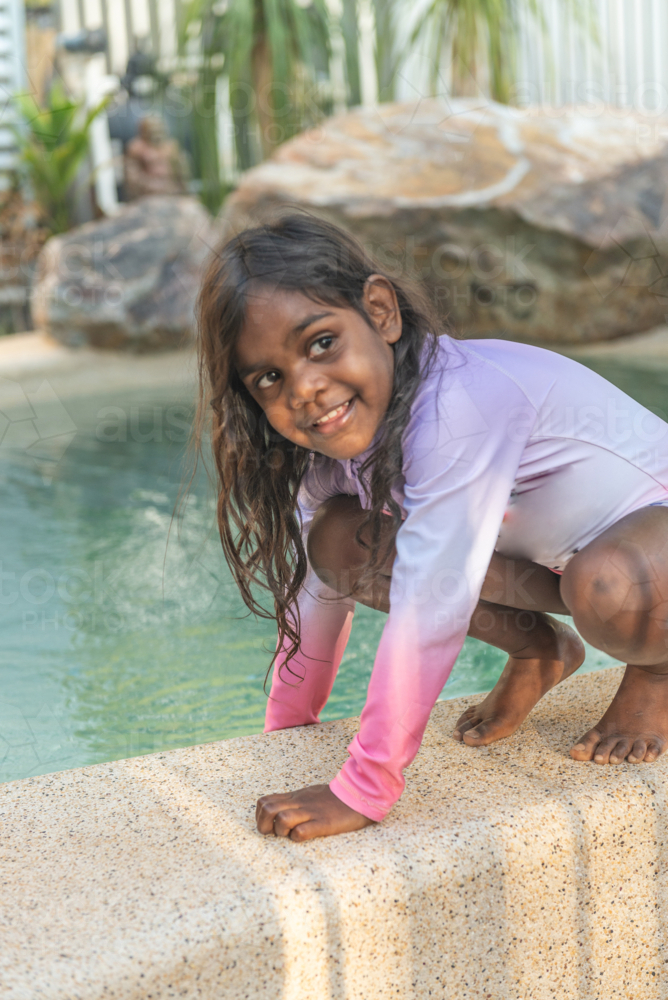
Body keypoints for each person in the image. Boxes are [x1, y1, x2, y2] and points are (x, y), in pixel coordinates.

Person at [195, 214, 668, 842]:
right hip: (558, 564)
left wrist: (365, 786)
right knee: (339, 545)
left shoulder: (458, 407)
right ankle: (541, 649)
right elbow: (319, 596)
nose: (305, 387)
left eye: (321, 343)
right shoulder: (329, 459)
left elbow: (431, 604)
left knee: (608, 586)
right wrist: (287, 732)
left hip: (645, 549)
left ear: (381, 312)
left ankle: (658, 671)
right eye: (269, 377)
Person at [124, 116, 189, 200]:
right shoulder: (136, 148)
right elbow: (132, 176)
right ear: (143, 130)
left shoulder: (172, 146)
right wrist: (149, 185)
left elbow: (182, 173)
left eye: (159, 128)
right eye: (153, 129)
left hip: (172, 190)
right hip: (147, 193)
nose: (156, 132)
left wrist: (183, 190)